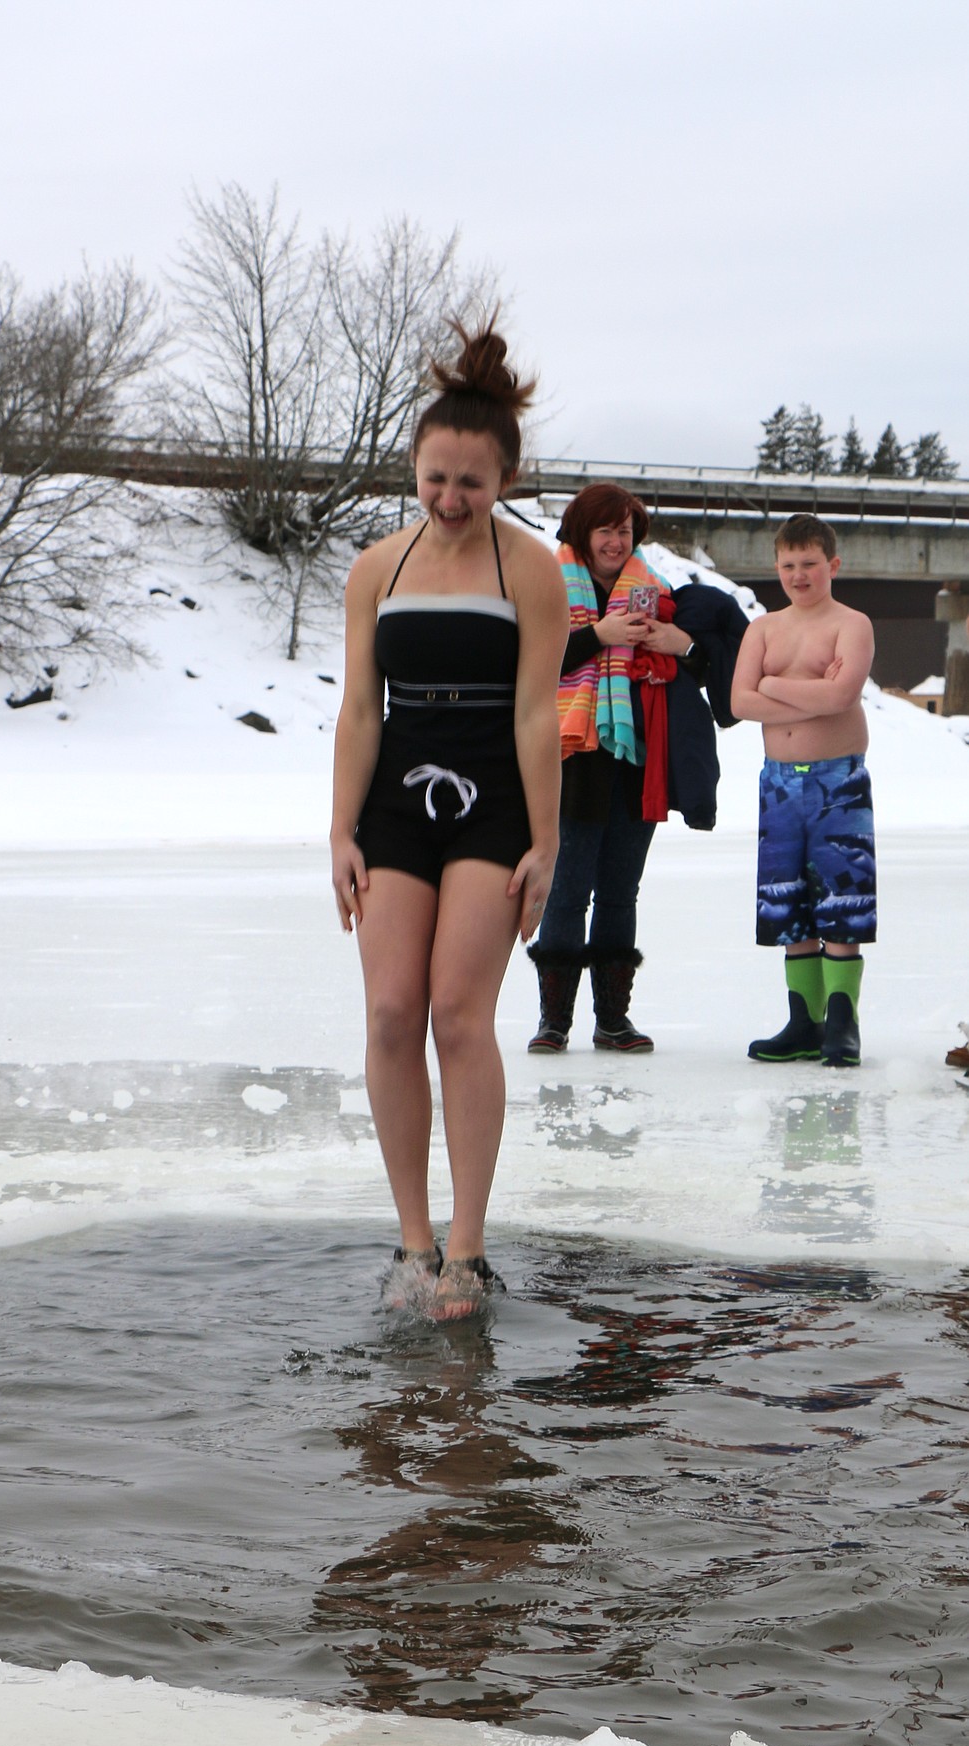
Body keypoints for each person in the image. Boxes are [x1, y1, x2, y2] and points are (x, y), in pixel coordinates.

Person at [331, 321, 569, 1321]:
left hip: (492, 800)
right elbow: (357, 709)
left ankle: (466, 1251)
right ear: (415, 469)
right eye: (434, 478)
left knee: (458, 1016)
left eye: (470, 483)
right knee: (391, 1013)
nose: (450, 499)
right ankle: (414, 1241)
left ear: (505, 479)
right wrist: (340, 831)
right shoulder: (376, 568)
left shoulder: (529, 571)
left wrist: (546, 844)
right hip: (395, 799)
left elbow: (532, 715)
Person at [527, 483, 748, 1055]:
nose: (617, 542)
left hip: (634, 759)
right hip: (571, 759)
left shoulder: (655, 591)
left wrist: (684, 644)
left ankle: (613, 1021)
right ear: (582, 533)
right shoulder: (548, 586)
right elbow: (524, 660)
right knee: (566, 893)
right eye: (606, 530)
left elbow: (698, 672)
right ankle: (554, 1022)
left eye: (626, 531)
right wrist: (597, 636)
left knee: (620, 894)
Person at [730, 514, 876, 1066]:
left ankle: (842, 1024)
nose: (799, 575)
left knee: (843, 898)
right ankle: (804, 1022)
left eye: (810, 564)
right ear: (776, 568)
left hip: (838, 780)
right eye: (789, 565)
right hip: (779, 785)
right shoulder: (763, 629)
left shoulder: (851, 623)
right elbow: (739, 703)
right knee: (786, 901)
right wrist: (807, 689)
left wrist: (770, 683)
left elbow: (841, 697)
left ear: (832, 565)